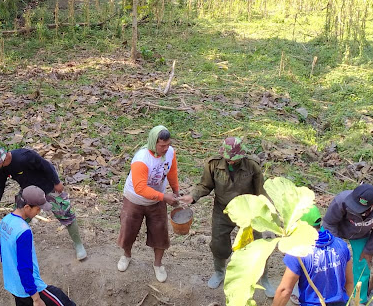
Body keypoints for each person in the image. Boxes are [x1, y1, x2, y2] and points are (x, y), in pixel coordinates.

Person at [180, 136, 274, 295]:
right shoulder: (214, 164)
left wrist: (268, 213)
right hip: (223, 210)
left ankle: (263, 278)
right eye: (228, 159)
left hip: (247, 210)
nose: (231, 162)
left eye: (235, 159)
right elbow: (205, 185)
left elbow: (261, 192)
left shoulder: (252, 166)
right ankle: (219, 272)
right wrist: (193, 196)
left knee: (259, 243)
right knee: (218, 243)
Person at [0, 145, 87, 261]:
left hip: (47, 186)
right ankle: (15, 243)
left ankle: (78, 244)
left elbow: (46, 166)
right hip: (28, 190)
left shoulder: (23, 157)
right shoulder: (0, 169)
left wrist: (57, 182)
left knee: (65, 213)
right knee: (19, 216)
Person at [259, 205, 353, 306]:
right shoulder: (341, 245)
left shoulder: (299, 252)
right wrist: (345, 305)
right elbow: (349, 282)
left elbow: (285, 290)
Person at [0, 185, 77, 306]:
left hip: (14, 285)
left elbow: (3, 253)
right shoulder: (23, 231)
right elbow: (24, 267)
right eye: (38, 209)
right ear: (27, 207)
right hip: (29, 287)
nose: (39, 212)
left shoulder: (5, 222)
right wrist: (36, 298)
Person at [116, 125, 180, 283]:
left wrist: (176, 191)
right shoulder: (141, 159)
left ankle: (158, 264)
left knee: (160, 232)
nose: (165, 148)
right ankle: (126, 255)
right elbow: (140, 188)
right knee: (129, 229)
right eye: (162, 145)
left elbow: (171, 171)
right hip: (135, 199)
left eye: (167, 144)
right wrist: (164, 197)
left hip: (157, 200)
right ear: (153, 143)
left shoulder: (170, 153)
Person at [322, 183, 373, 306]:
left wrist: (369, 249)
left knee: (363, 265)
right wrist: (334, 245)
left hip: (361, 235)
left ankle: (359, 300)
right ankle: (327, 292)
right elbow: (329, 223)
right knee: (328, 260)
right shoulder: (341, 200)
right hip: (337, 231)